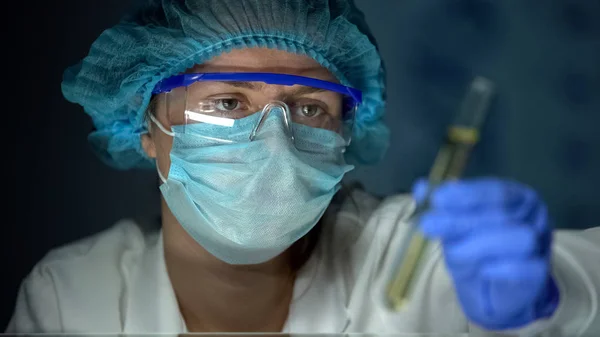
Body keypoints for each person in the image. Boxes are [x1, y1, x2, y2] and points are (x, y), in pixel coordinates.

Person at [6, 0, 599, 335]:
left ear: (346, 134)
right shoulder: (74, 301)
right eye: (227, 102)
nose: (273, 138)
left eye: (308, 106)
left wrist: (548, 296)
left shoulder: (409, 260)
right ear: (146, 130)